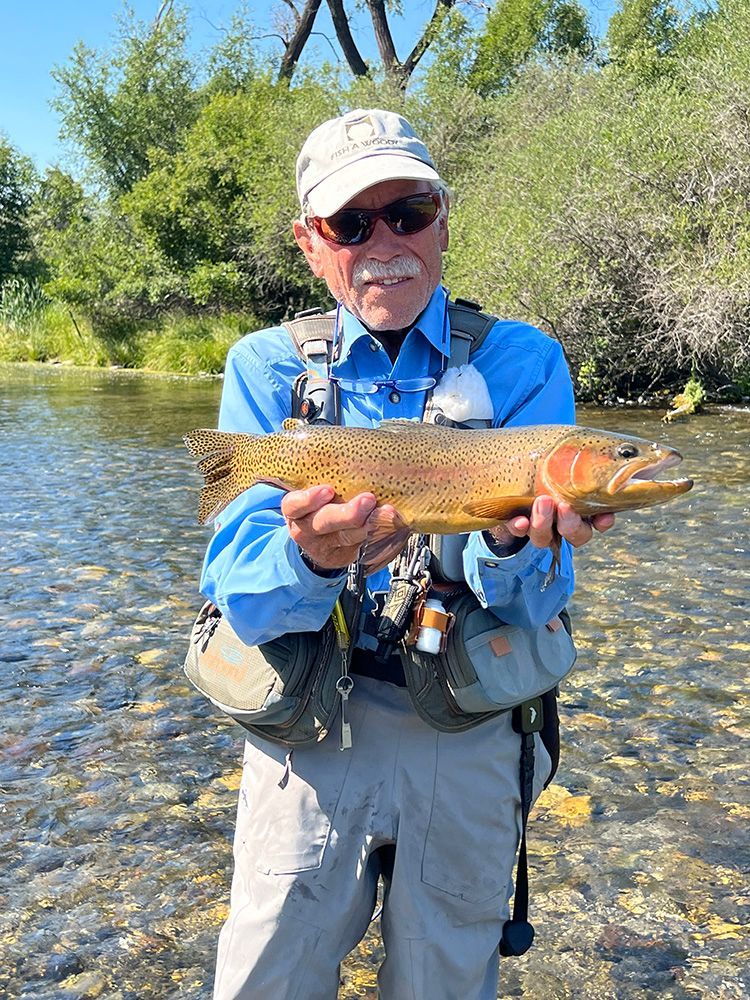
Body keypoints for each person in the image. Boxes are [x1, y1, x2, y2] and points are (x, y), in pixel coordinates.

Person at [200, 108, 614, 1000]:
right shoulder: (267, 369)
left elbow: (536, 605)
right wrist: (311, 559)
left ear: (443, 221)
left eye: (408, 212)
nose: (383, 242)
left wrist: (505, 537)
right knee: (263, 981)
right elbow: (240, 600)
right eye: (350, 223)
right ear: (311, 244)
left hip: (467, 728)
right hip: (309, 726)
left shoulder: (525, 363)